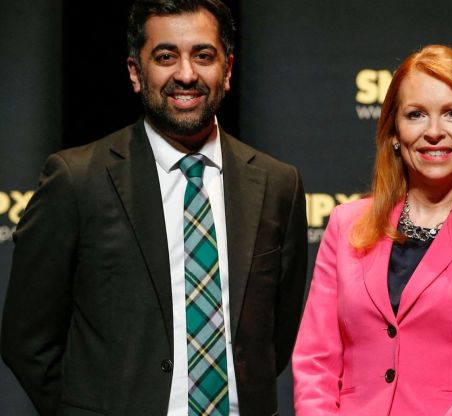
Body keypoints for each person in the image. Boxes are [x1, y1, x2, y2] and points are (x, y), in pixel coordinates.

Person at [0, 0, 307, 415]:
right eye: (166, 56)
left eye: (203, 55)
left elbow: (275, 338)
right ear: (135, 73)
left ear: (228, 70)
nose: (186, 74)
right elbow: (27, 337)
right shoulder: (77, 179)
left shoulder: (277, 184)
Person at [291, 44, 452, 415]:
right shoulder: (347, 223)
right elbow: (315, 361)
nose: (434, 132)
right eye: (416, 115)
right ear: (394, 131)